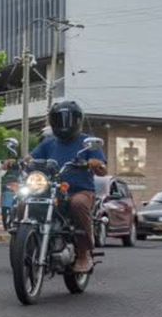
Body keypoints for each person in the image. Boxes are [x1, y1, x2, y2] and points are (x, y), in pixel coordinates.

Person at [26, 100, 107, 272]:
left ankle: (84, 252)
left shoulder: (87, 142)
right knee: (23, 202)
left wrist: (95, 163)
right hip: (51, 190)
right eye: (59, 119)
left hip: (80, 191)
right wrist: (22, 161)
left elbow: (102, 168)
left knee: (77, 204)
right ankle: (25, 243)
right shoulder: (49, 143)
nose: (64, 124)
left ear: (77, 121)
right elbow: (31, 158)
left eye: (68, 119)